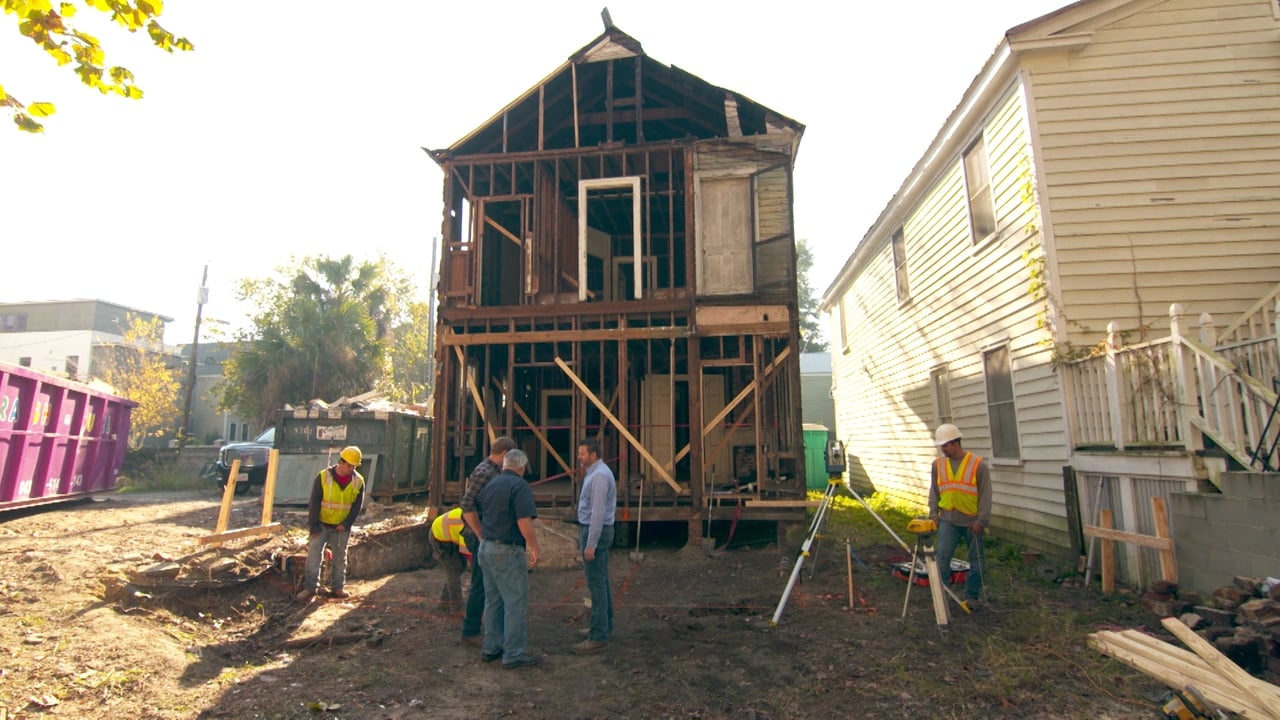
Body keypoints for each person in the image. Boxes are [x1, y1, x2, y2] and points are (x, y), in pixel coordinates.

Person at [474, 449, 541, 669]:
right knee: (515, 602)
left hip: (486, 547)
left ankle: (491, 647)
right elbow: (524, 521)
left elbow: (473, 508)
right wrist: (534, 547)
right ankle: (513, 653)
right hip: (506, 549)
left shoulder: (491, 484)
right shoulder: (519, 486)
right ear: (521, 467)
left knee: (493, 600)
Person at [459, 436, 517, 646]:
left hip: (488, 534)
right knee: (479, 584)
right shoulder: (485, 472)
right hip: (480, 535)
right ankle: (470, 630)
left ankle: (484, 625)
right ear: (504, 454)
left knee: (488, 583)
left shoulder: (493, 471)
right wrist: (480, 533)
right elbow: (466, 504)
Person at [927, 424, 991, 607]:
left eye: (945, 445)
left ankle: (972, 596)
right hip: (948, 520)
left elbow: (986, 495)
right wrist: (933, 513)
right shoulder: (937, 465)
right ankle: (943, 596)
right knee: (942, 559)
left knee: (977, 562)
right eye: (941, 445)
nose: (943, 449)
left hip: (972, 522)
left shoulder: (978, 465)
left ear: (956, 443)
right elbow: (934, 490)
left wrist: (981, 521)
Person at [297, 445, 365, 602]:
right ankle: (310, 589)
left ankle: (338, 588)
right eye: (349, 465)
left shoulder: (358, 481)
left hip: (341, 527)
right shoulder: (323, 477)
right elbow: (313, 502)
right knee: (313, 557)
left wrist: (347, 524)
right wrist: (314, 525)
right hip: (321, 524)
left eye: (354, 466)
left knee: (340, 558)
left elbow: (357, 506)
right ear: (341, 462)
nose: (352, 469)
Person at [573, 437, 615, 654]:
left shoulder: (599, 477)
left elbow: (598, 513)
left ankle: (598, 635)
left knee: (596, 584)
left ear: (593, 455)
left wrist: (591, 544)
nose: (578, 457)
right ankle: (604, 624)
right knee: (602, 580)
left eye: (582, 453)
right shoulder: (595, 473)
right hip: (594, 529)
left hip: (594, 530)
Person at [429, 506, 472, 613]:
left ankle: (444, 603)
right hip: (439, 538)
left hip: (449, 535)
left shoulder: (471, 514)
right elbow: (468, 552)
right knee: (454, 570)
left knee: (459, 568)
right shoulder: (467, 525)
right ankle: (457, 609)